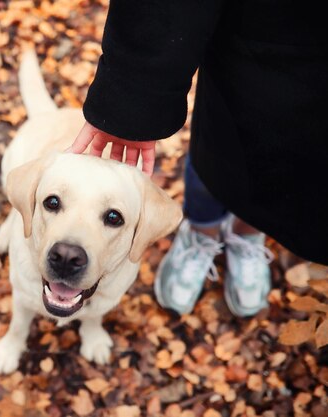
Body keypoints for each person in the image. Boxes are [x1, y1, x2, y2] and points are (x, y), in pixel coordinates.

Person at [70, 0, 328, 317]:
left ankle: (247, 235)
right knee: (230, 151)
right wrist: (134, 91)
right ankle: (201, 232)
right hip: (269, 47)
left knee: (290, 174)